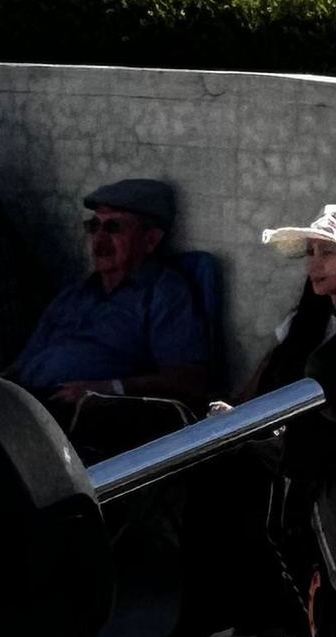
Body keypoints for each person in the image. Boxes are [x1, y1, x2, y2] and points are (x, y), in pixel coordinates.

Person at [166, 202, 336, 637]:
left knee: (257, 470)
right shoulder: (306, 323)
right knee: (210, 458)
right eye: (312, 252)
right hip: (289, 437)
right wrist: (234, 415)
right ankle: (213, 609)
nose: (314, 264)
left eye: (328, 254)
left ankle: (287, 618)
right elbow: (261, 384)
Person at [11, 178, 210, 442]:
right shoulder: (74, 294)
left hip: (79, 421)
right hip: (26, 403)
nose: (99, 239)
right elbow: (22, 365)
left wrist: (106, 390)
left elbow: (189, 380)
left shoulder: (164, 292)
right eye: (94, 226)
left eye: (113, 227)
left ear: (149, 239)